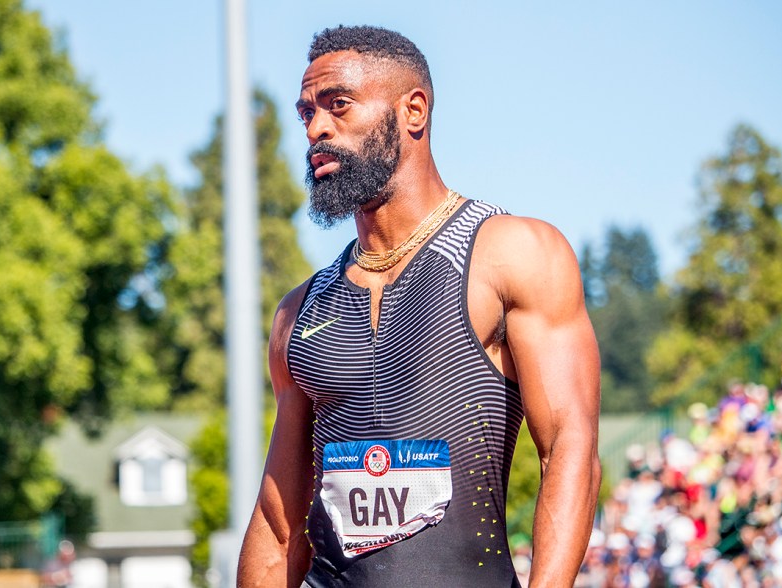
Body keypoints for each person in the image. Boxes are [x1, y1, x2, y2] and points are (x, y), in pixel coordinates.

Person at [237, 25, 601, 587]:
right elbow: (279, 523)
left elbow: (570, 451)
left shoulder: (511, 254)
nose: (316, 129)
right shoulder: (299, 311)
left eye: (338, 105)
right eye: (306, 113)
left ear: (413, 111)